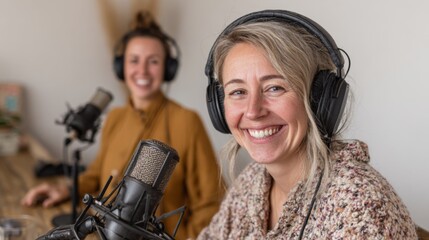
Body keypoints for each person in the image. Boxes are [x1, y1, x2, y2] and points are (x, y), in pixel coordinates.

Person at [197, 9, 417, 239]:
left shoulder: (360, 205)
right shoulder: (254, 181)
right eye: (238, 91)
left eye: (274, 88)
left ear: (316, 99)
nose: (253, 111)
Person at [21, 10, 225, 239]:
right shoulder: (115, 117)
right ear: (121, 67)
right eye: (134, 60)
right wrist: (66, 190)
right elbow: (97, 174)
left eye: (154, 61)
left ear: (168, 69)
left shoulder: (187, 122)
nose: (143, 70)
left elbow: (211, 203)